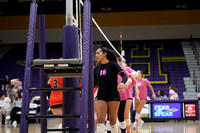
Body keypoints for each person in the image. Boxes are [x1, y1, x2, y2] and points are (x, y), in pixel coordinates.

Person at [94, 47, 128, 133]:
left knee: (112, 121)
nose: (96, 55)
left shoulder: (113, 65)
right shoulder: (97, 68)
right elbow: (93, 82)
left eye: (98, 53)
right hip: (101, 95)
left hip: (113, 95)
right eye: (96, 53)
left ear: (104, 54)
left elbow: (125, 76)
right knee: (100, 120)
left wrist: (122, 83)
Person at [118, 58, 139, 133]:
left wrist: (137, 95)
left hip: (127, 96)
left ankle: (128, 131)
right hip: (119, 95)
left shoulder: (128, 73)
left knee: (126, 116)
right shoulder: (117, 72)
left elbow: (135, 82)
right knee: (119, 116)